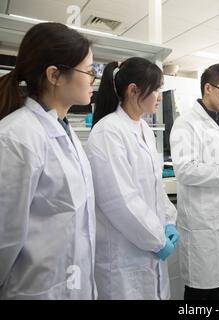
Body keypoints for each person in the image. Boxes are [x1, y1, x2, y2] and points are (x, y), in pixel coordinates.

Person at [0, 22, 96, 299]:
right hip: (35, 290)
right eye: (88, 70)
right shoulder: (16, 137)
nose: (93, 78)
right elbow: (4, 238)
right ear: (55, 75)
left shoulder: (64, 132)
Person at [85, 57, 178, 300]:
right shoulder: (108, 131)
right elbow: (120, 200)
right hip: (123, 253)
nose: (159, 95)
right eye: (156, 88)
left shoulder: (144, 129)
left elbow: (156, 187)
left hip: (148, 243)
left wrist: (168, 220)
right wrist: (157, 239)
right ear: (133, 90)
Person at [170, 63, 219, 300]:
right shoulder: (187, 123)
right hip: (201, 224)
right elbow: (185, 170)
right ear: (208, 88)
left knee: (218, 287)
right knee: (200, 290)